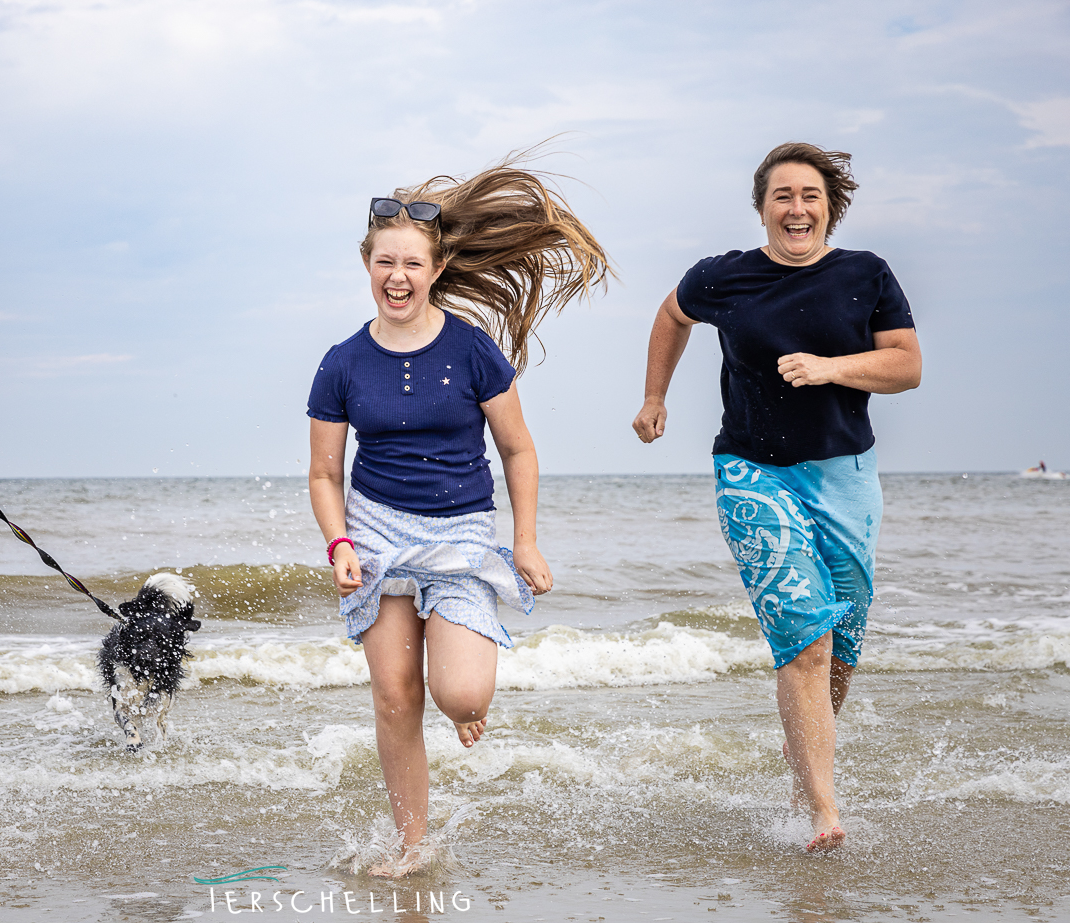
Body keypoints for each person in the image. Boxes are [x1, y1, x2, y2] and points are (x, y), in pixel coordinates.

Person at [308, 163, 609, 876]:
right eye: (386, 262)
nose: (399, 276)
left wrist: (525, 541)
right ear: (367, 264)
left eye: (413, 262)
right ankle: (414, 843)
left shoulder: (471, 349)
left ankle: (466, 697)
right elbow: (324, 473)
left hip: (462, 532)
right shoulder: (342, 362)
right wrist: (339, 543)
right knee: (393, 696)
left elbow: (517, 448)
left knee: (461, 693)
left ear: (437, 267)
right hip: (376, 531)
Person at [631, 142, 922, 851]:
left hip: (845, 476)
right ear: (762, 207)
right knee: (806, 639)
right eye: (783, 196)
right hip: (752, 471)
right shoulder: (723, 277)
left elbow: (906, 366)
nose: (797, 208)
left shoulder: (865, 275)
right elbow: (673, 316)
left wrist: (831, 368)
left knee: (841, 645)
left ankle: (804, 777)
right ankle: (824, 809)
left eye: (810, 196)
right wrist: (654, 396)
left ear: (830, 207)